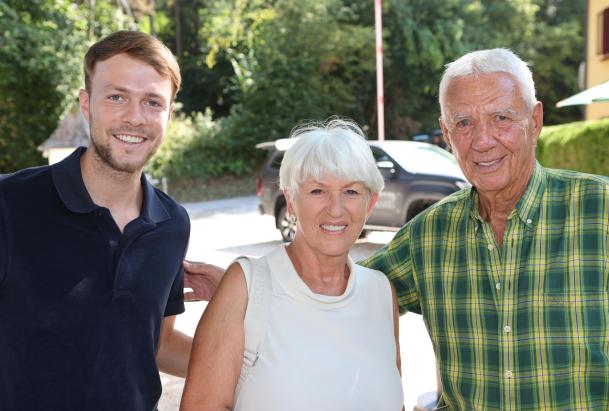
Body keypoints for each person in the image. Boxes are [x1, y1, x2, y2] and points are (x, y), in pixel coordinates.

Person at [362, 48, 609, 409]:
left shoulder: (604, 211)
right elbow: (343, 297)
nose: (482, 141)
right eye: (463, 123)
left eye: (501, 118)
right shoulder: (428, 236)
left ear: (535, 120)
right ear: (447, 134)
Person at [0, 31, 214, 410]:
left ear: (169, 114)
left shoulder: (172, 224)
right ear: (87, 104)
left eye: (152, 102)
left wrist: (246, 361)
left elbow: (159, 345)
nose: (134, 117)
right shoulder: (10, 203)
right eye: (116, 97)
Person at [180, 119, 404, 411]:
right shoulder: (246, 286)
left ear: (370, 203)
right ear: (291, 199)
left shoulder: (380, 292)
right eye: (317, 191)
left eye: (351, 192)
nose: (335, 209)